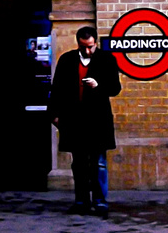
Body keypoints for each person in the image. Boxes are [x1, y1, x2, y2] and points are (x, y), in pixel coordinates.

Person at [49, 24, 122, 217]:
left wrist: (99, 85)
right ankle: (81, 201)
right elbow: (57, 89)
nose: (87, 50)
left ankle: (100, 202)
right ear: (78, 44)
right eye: (83, 47)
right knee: (79, 163)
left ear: (96, 43)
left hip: (97, 120)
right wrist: (54, 114)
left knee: (98, 163)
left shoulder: (107, 59)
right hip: (74, 119)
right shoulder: (67, 60)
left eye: (90, 46)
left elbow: (115, 88)